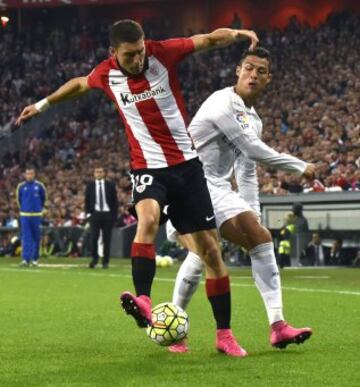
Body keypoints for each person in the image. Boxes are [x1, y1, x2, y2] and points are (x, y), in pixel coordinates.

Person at [16, 19, 259, 356]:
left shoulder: (162, 54)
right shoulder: (106, 73)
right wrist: (42, 105)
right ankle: (143, 300)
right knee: (146, 219)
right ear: (113, 53)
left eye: (140, 51)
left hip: (187, 167)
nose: (138, 59)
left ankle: (224, 335)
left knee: (211, 252)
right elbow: (78, 84)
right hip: (147, 167)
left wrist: (237, 34)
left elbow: (204, 39)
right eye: (130, 55)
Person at [166, 47, 314, 353]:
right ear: (238, 70)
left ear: (268, 79)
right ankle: (176, 330)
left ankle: (278, 326)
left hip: (216, 188)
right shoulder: (222, 102)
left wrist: (252, 212)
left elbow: (247, 172)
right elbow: (253, 148)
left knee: (260, 237)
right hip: (186, 183)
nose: (254, 74)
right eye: (249, 68)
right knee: (201, 255)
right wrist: (300, 166)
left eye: (261, 71)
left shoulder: (253, 120)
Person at [85, 166, 118, 268]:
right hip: (95, 214)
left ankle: (105, 261)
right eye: (96, 172)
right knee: (94, 238)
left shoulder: (110, 185)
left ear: (104, 173)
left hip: (107, 214)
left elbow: (115, 201)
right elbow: (87, 200)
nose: (98, 174)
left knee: (106, 239)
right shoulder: (90, 185)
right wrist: (88, 213)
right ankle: (94, 259)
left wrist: (113, 216)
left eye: (100, 172)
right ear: (94, 174)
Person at [16, 167, 47, 267]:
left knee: (36, 238)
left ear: (34, 174)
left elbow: (44, 199)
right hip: (25, 215)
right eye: (28, 174)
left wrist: (38, 209)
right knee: (26, 238)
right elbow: (19, 201)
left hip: (36, 216)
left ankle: (35, 259)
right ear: (25, 175)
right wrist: (25, 209)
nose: (30, 176)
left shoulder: (40, 186)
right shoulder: (21, 186)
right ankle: (25, 259)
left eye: (31, 174)